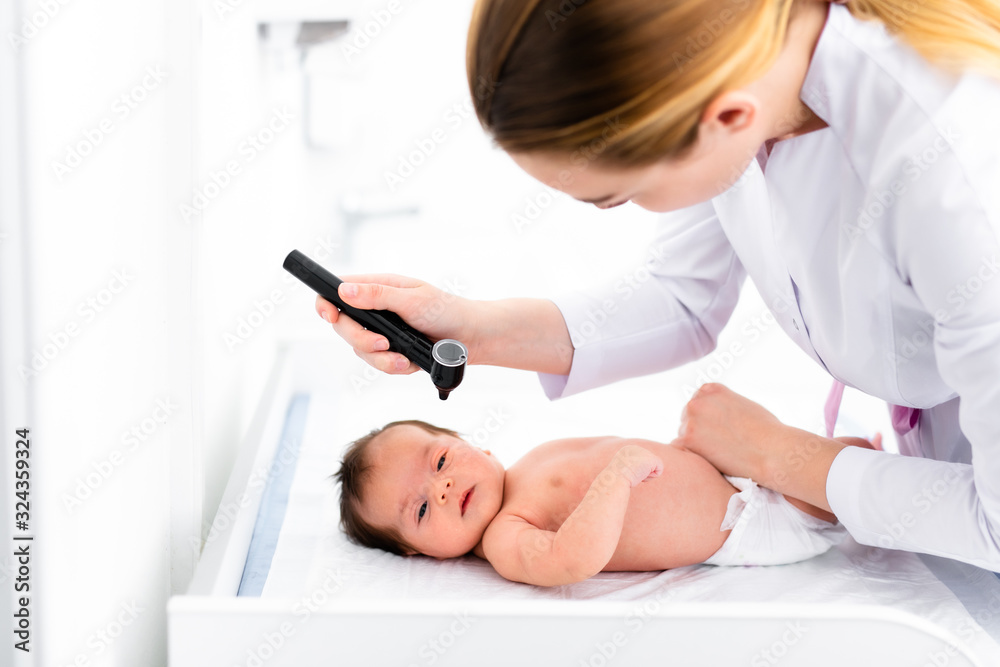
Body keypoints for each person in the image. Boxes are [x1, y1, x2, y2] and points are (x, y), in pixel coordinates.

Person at [316, 0, 1000, 570]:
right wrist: (463, 327)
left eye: (614, 196)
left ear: (724, 121)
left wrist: (783, 454)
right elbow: (682, 296)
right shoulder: (729, 77)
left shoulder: (957, 181)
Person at [335, 420, 874, 586]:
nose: (443, 489)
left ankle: (882, 449)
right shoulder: (504, 536)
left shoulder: (530, 460)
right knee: (851, 489)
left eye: (441, 461)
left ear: (477, 444)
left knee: (842, 457)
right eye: (423, 510)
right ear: (418, 552)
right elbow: (570, 560)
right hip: (750, 523)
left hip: (730, 475)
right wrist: (615, 478)